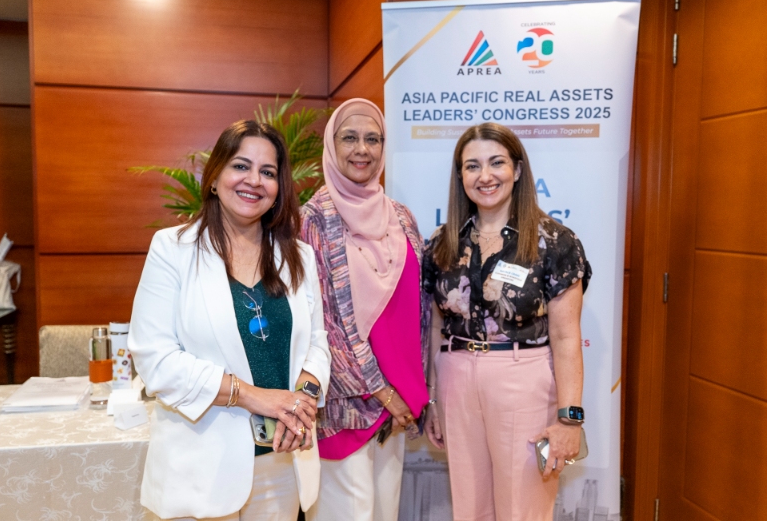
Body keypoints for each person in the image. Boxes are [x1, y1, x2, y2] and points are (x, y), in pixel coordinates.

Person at [128, 120, 331, 520]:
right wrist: (256, 396)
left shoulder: (299, 257)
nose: (254, 180)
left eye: (268, 172)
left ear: (278, 189)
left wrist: (302, 399)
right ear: (214, 177)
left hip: (280, 465)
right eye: (241, 166)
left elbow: (317, 343)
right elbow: (155, 360)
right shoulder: (173, 249)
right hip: (200, 470)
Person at [423, 122, 591, 521]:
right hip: (456, 380)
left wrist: (570, 419)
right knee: (470, 508)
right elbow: (435, 327)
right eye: (472, 166)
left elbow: (567, 337)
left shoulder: (554, 241)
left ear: (517, 170)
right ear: (460, 176)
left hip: (523, 380)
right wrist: (432, 399)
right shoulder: (444, 242)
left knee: (523, 508)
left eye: (496, 163)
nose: (485, 176)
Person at [300, 98, 430, 521]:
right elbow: (322, 325)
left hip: (399, 404)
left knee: (385, 513)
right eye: (350, 138)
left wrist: (409, 392)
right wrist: (382, 391)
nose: (362, 149)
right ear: (331, 145)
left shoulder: (402, 217)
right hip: (346, 408)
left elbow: (420, 312)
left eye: (373, 139)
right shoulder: (312, 220)